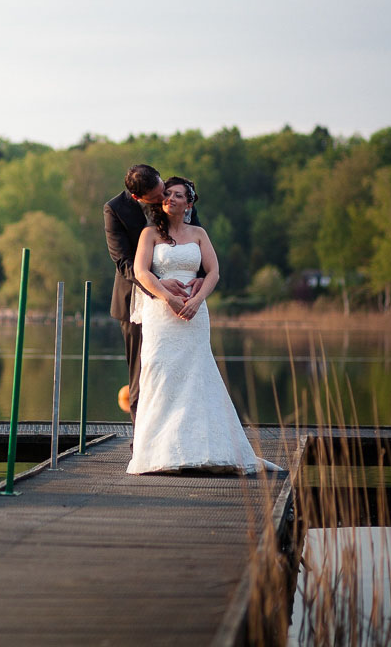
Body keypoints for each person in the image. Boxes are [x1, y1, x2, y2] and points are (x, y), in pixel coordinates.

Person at [125, 177, 280, 475]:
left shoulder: (199, 234)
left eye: (177, 194)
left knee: (197, 374)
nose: (170, 198)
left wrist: (197, 302)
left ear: (189, 203)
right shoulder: (149, 234)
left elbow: (214, 272)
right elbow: (141, 272)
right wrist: (169, 298)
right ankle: (158, 453)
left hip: (194, 313)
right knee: (159, 372)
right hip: (161, 312)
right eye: (167, 194)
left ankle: (203, 449)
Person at [103, 165, 200, 424]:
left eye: (163, 189)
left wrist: (199, 278)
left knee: (183, 367)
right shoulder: (115, 210)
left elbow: (197, 244)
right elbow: (123, 263)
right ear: (138, 198)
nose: (164, 198)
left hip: (183, 296)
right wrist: (158, 285)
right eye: (157, 196)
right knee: (140, 372)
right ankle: (141, 441)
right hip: (136, 298)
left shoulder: (177, 195)